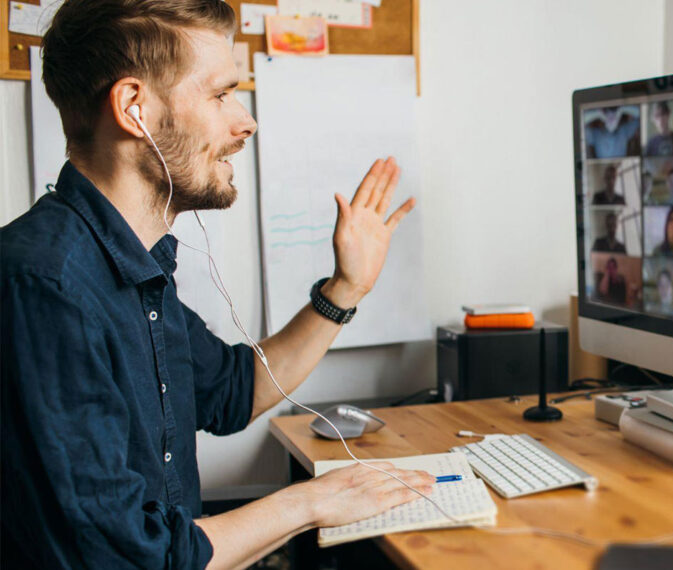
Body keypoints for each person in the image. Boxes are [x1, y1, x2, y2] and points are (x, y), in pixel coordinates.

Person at [1, 2, 431, 567]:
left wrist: (345, 288)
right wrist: (311, 502)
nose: (245, 121)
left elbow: (233, 391)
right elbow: (137, 559)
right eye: (221, 94)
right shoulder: (46, 284)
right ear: (135, 108)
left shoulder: (131, 262)